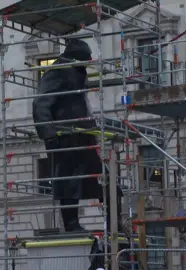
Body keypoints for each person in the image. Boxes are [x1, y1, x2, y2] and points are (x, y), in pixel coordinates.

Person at [32, 39, 123, 232]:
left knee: (105, 180)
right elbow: (40, 103)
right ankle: (72, 224)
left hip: (83, 134)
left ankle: (115, 223)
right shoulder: (57, 72)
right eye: (85, 60)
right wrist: (49, 134)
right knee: (68, 182)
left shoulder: (75, 71)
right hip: (65, 137)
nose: (88, 63)